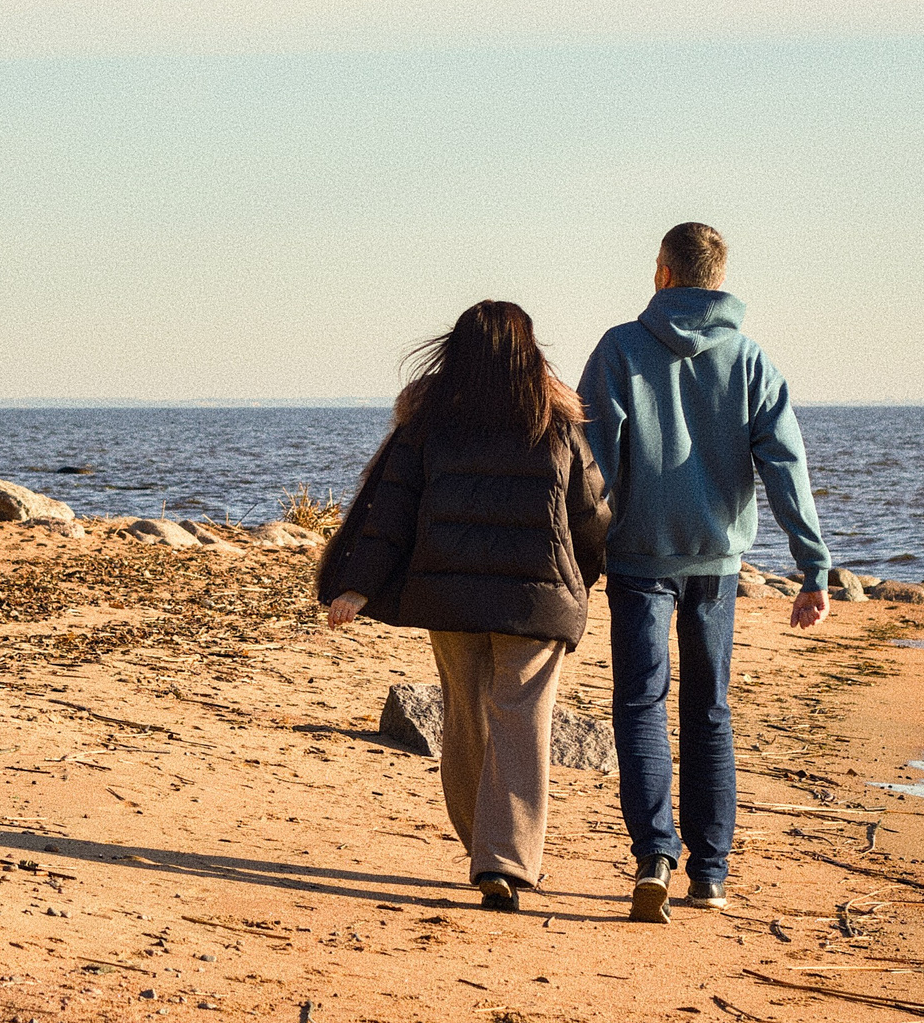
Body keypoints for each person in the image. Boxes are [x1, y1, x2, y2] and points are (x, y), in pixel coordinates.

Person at [317, 301, 612, 912]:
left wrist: (357, 586)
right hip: (537, 602)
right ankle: (504, 859)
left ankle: (483, 850)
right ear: (531, 353)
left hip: (450, 598)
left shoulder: (427, 424)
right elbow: (592, 516)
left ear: (457, 350)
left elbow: (388, 511)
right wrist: (583, 580)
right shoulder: (557, 425)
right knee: (522, 720)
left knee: (465, 718)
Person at [578, 222, 832, 924]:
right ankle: (711, 872)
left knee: (639, 704)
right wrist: (813, 568)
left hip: (637, 558)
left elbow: (587, 465)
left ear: (662, 271)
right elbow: (786, 467)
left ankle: (654, 855)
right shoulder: (750, 360)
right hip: (716, 563)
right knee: (709, 709)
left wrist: (577, 554)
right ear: (718, 278)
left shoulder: (620, 349)